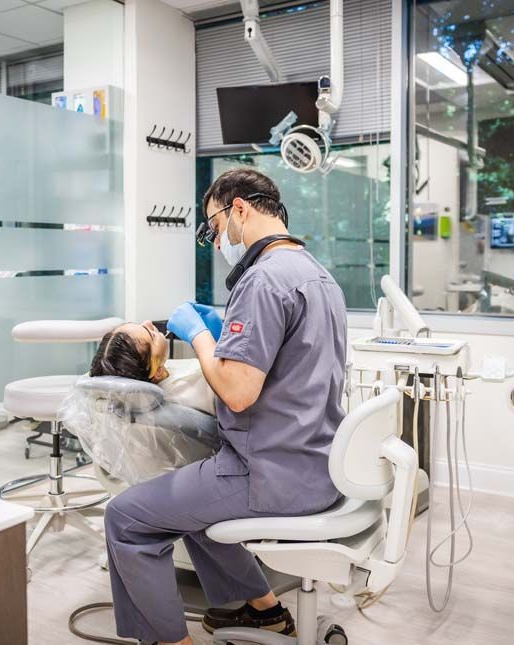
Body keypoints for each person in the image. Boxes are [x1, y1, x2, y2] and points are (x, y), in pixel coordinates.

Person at [103, 168, 348, 645]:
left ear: (239, 209)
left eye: (214, 227)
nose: (217, 241)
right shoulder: (317, 275)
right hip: (316, 463)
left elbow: (236, 393)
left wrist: (197, 334)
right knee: (188, 506)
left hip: (270, 474)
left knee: (125, 518)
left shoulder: (263, 281)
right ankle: (263, 612)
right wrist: (223, 329)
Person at [89, 319, 215, 415]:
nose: (148, 322)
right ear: (158, 372)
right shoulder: (193, 390)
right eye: (152, 335)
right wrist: (203, 337)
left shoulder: (150, 375)